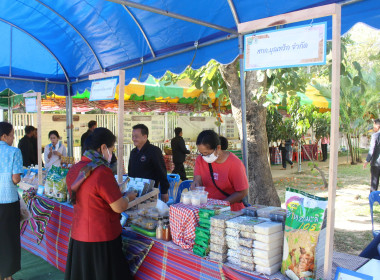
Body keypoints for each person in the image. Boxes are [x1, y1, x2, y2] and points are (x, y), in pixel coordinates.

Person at [65, 127, 136, 280]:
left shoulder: (74, 169)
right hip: (101, 238)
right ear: (103, 147)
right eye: (111, 148)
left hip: (78, 235)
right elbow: (119, 207)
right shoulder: (102, 171)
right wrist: (129, 197)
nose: (112, 153)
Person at [191, 130, 249, 211]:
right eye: (201, 153)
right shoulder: (200, 159)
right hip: (208, 209)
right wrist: (195, 185)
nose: (203, 156)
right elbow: (197, 180)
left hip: (230, 210)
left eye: (206, 153)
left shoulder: (234, 163)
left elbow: (242, 192)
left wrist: (220, 205)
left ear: (218, 148)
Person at [0, 122, 24, 280]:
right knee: (8, 239)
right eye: (12, 134)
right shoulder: (14, 152)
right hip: (7, 201)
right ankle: (6, 275)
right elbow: (16, 179)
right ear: (4, 136)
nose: (13, 137)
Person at [128, 124, 170, 202]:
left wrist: (164, 191)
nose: (134, 139)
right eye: (132, 136)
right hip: (134, 193)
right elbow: (130, 172)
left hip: (149, 193)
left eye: (136, 136)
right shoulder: (133, 152)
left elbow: (162, 172)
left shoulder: (154, 151)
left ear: (145, 137)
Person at [363, 119, 380, 192]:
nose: (373, 127)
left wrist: (367, 160)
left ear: (378, 125)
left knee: (374, 183)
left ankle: (372, 200)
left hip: (376, 164)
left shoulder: (375, 136)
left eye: (374, 125)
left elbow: (371, 149)